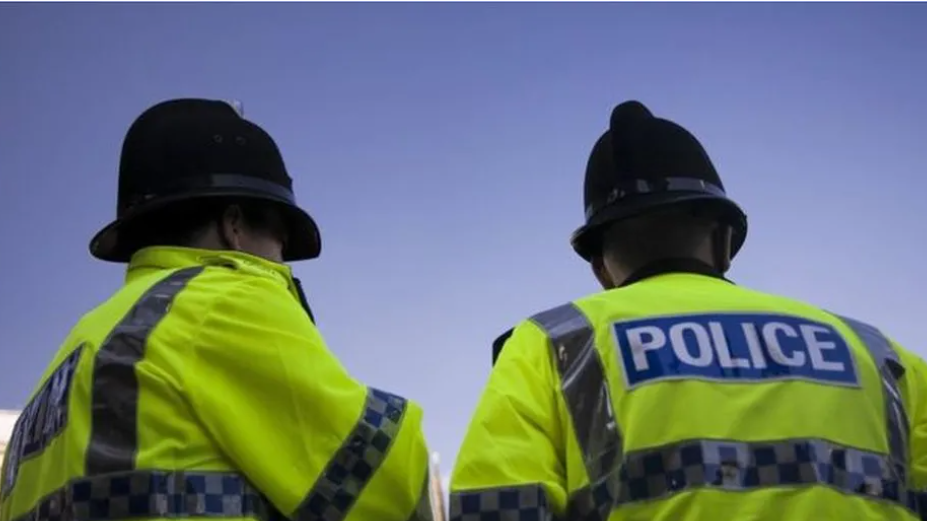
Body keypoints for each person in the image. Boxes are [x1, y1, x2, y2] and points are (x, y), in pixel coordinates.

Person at [449, 100, 927, 521]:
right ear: (723, 241)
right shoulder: (882, 356)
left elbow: (495, 508)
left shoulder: (552, 345)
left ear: (600, 269)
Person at [0, 99, 435, 521]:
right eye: (281, 242)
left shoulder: (76, 354)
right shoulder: (220, 301)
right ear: (235, 226)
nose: (283, 263)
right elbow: (383, 487)